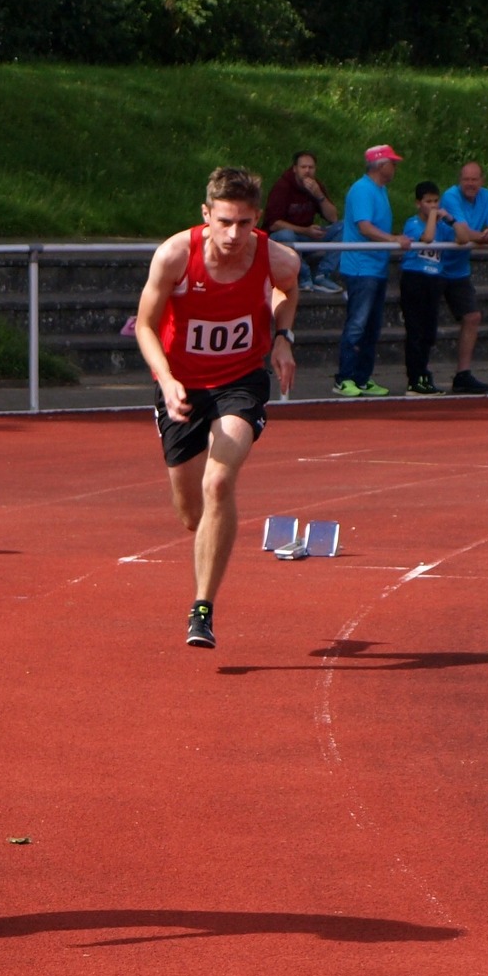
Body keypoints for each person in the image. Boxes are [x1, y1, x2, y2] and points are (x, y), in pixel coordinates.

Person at [134, 166, 300, 649]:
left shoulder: (278, 257)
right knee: (192, 515)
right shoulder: (175, 255)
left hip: (241, 381)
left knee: (219, 482)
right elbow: (144, 325)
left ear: (257, 219)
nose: (233, 235)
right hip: (182, 386)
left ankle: (202, 608)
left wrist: (283, 337)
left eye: (244, 223)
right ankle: (210, 539)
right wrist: (166, 380)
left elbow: (288, 290)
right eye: (224, 222)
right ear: (206, 215)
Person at [334, 145, 408, 397]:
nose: (395, 168)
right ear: (381, 165)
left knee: (372, 326)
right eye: (392, 164)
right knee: (358, 324)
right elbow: (364, 227)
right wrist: (393, 239)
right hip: (360, 268)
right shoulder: (362, 189)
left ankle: (362, 377)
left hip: (375, 267)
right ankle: (345, 377)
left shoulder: (379, 189)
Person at [438, 161, 488, 395]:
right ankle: (417, 376)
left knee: (472, 316)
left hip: (458, 269)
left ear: (482, 181)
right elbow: (465, 233)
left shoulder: (487, 196)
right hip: (435, 265)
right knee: (425, 322)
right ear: (459, 181)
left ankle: (462, 374)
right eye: (466, 179)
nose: (470, 184)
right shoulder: (451, 197)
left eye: (474, 179)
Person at [397, 181, 460, 395]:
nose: (433, 206)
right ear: (418, 203)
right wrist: (433, 216)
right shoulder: (412, 223)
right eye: (428, 202)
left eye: (436, 201)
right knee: (415, 331)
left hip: (434, 280)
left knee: (429, 332)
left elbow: (463, 237)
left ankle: (423, 373)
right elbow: (427, 238)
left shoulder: (443, 226)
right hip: (415, 279)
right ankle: (414, 379)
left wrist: (451, 219)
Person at [262, 151, 343, 293]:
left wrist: (319, 195)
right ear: (295, 169)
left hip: (306, 235)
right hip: (281, 238)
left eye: (311, 167)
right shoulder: (283, 186)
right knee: (287, 234)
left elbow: (333, 218)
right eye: (303, 167)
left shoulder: (316, 186)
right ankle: (303, 276)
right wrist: (306, 231)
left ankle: (322, 274)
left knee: (343, 227)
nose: (307, 171)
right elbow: (274, 224)